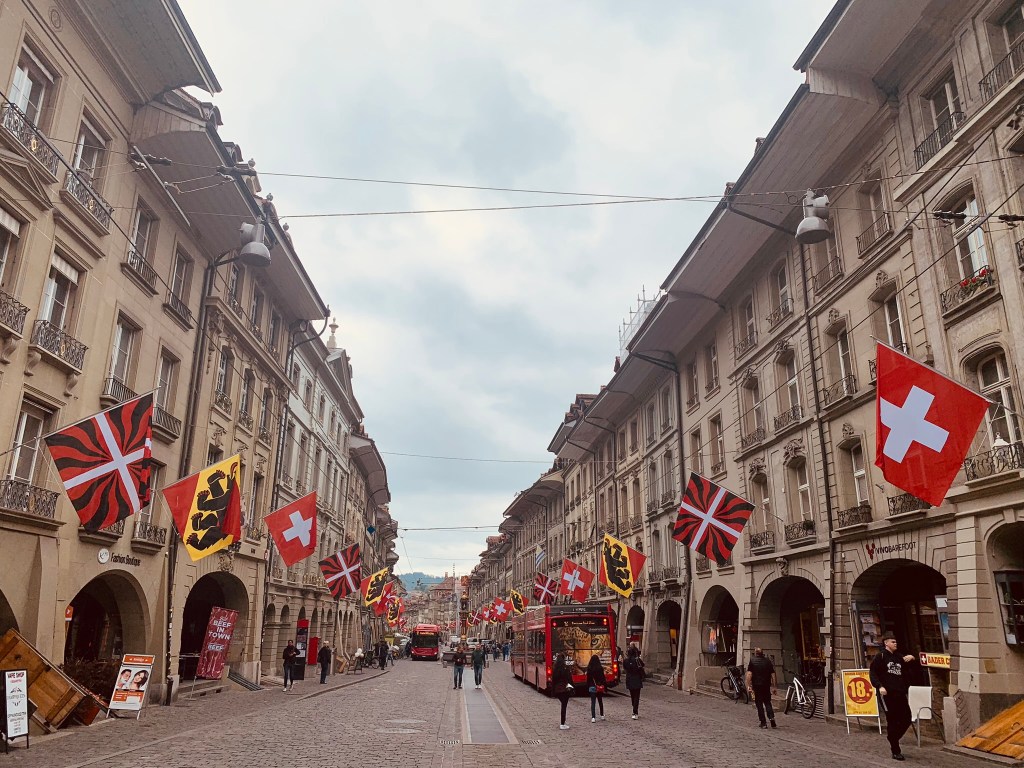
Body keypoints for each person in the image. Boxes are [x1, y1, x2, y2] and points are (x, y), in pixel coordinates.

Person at [870, 632, 917, 761]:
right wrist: (879, 686)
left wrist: (912, 658)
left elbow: (910, 670)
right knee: (892, 720)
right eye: (893, 642)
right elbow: (873, 673)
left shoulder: (899, 657)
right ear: (886, 643)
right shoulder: (880, 657)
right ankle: (895, 750)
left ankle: (893, 737)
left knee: (907, 717)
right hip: (887, 695)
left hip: (900, 693)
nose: (895, 644)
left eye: (896, 642)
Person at [745, 648, 777, 728]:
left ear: (755, 653)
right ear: (763, 653)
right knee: (767, 702)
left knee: (759, 704)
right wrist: (774, 686)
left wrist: (749, 685)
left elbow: (749, 674)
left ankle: (763, 723)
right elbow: (773, 674)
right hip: (766, 685)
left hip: (757, 685)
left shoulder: (752, 661)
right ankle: (772, 719)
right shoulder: (768, 661)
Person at [552, 652, 574, 730]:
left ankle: (563, 723)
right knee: (564, 706)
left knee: (563, 705)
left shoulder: (555, 669)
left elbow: (553, 680)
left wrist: (553, 690)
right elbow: (569, 679)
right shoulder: (565, 668)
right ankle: (562, 723)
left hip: (558, 690)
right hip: (565, 690)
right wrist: (572, 687)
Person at [624, 645, 645, 719]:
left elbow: (625, 668)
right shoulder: (637, 660)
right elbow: (642, 665)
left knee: (632, 696)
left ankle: (634, 709)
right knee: (636, 696)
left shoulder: (626, 660)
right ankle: (635, 711)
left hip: (629, 679)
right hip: (637, 679)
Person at [586, 655, 607, 723]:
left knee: (593, 702)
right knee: (600, 701)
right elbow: (603, 678)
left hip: (592, 686)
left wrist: (588, 686)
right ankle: (602, 715)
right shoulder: (600, 668)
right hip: (599, 686)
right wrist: (604, 686)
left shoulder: (589, 668)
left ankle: (593, 717)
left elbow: (588, 679)